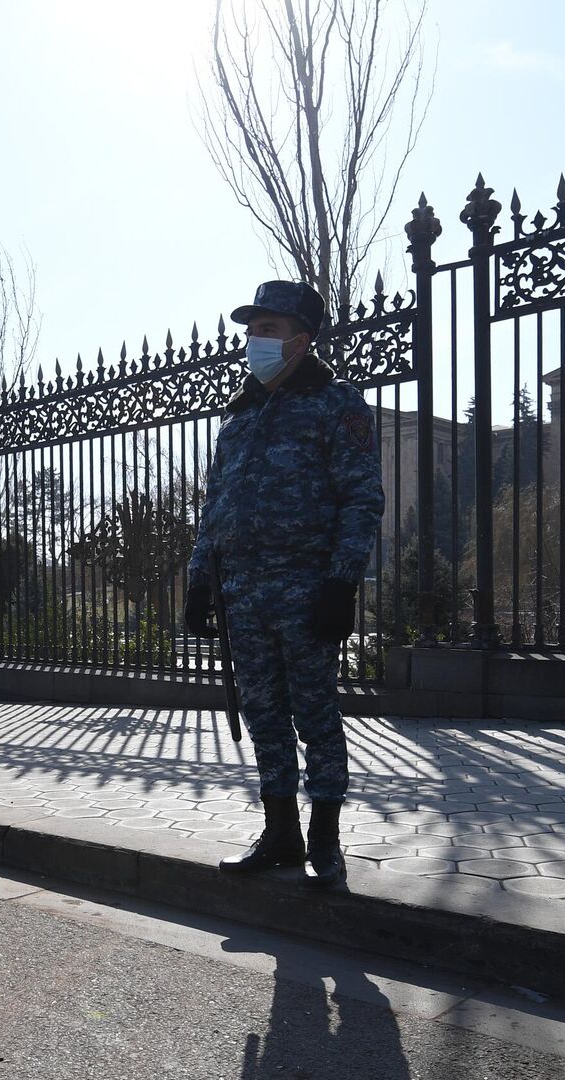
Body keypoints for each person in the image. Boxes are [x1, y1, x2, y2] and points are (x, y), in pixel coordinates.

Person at [184, 280, 384, 889]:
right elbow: (216, 504)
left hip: (305, 587)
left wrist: (341, 584)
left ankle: (325, 835)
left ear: (302, 337)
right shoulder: (239, 415)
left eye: (268, 329)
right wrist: (198, 582)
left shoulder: (335, 402)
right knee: (263, 713)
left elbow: (362, 498)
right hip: (241, 590)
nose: (254, 340)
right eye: (252, 329)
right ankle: (280, 832)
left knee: (315, 713)